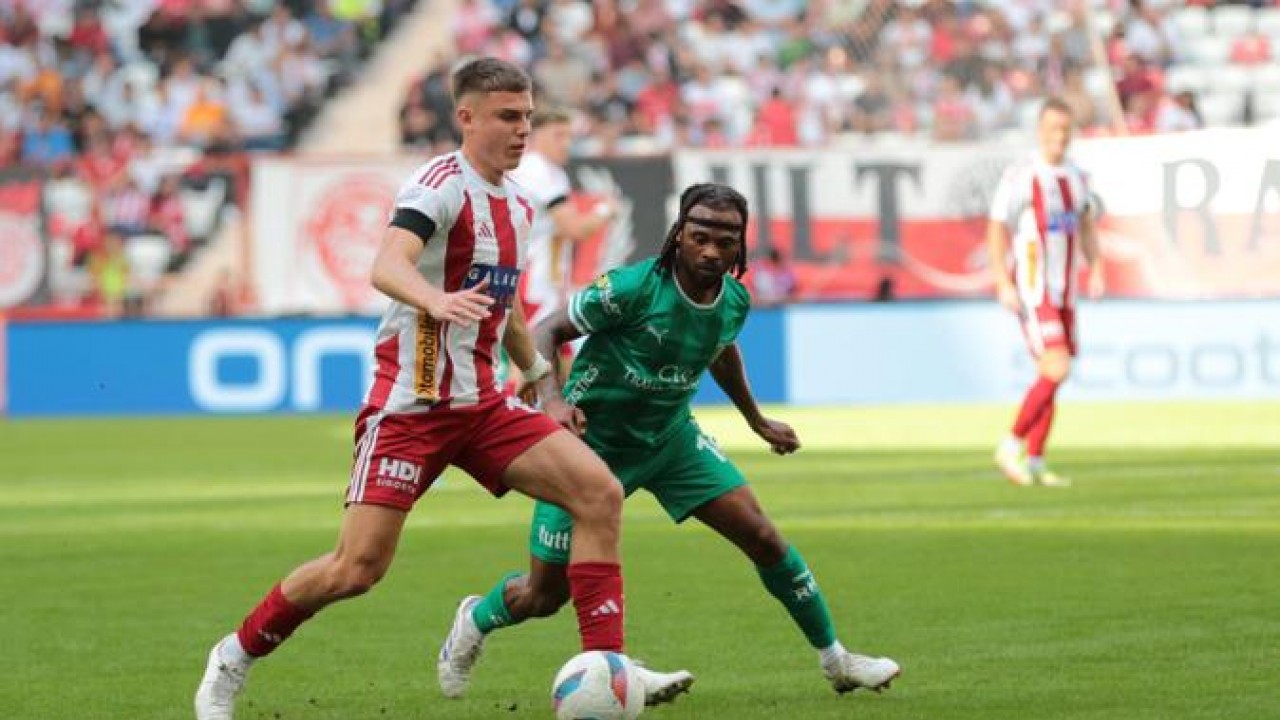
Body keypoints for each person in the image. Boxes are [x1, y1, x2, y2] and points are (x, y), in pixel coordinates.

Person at [195, 58, 641, 720]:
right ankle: (234, 654)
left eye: (526, 116)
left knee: (599, 493)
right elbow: (386, 263)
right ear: (467, 117)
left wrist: (541, 380)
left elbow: (509, 308)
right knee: (356, 569)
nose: (522, 130)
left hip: (484, 407)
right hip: (411, 408)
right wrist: (435, 299)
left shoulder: (519, 205)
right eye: (507, 117)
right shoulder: (439, 184)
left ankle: (608, 673)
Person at [436, 183, 902, 702]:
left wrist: (755, 420)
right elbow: (546, 330)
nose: (711, 250)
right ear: (679, 233)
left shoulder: (735, 299)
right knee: (544, 596)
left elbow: (721, 350)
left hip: (670, 440)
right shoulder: (630, 288)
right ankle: (476, 618)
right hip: (589, 446)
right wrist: (552, 399)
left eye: (725, 240)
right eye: (700, 236)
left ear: (740, 245)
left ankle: (837, 660)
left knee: (764, 537)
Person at [988, 98, 1104, 488]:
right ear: (1040, 130)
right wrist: (1002, 281)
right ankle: (1011, 444)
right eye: (1053, 128)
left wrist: (1096, 267)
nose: (1060, 136)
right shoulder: (1022, 175)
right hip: (1034, 288)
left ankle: (1035, 460)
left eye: (1066, 129)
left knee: (1052, 372)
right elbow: (996, 226)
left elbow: (1086, 225)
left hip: (1065, 290)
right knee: (1057, 367)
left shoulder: (1078, 177)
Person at [511, 106, 617, 329]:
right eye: (558, 135)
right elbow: (575, 229)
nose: (566, 143)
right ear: (535, 136)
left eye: (569, 136)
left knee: (557, 347)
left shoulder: (553, 172)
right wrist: (605, 210)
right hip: (532, 283)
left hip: (547, 282)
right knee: (536, 348)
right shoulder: (535, 169)